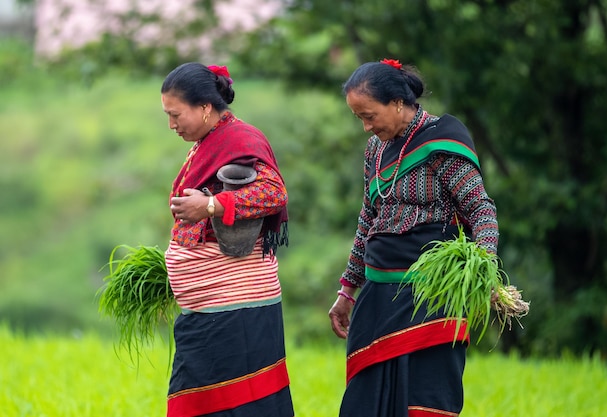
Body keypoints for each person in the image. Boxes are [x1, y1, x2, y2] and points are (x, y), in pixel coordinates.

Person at [328, 59, 499, 417]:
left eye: (370, 115)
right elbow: (368, 219)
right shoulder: (375, 151)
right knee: (366, 400)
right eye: (359, 117)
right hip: (377, 297)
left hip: (430, 296)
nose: (365, 127)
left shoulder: (442, 143)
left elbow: (480, 210)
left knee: (425, 398)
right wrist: (347, 289)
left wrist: (484, 270)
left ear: (398, 103)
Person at [161, 62, 293, 417]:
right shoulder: (208, 140)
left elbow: (273, 194)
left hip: (236, 305)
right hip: (209, 305)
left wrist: (210, 204)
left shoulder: (240, 139)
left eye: (176, 115)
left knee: (237, 404)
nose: (171, 125)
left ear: (205, 108)